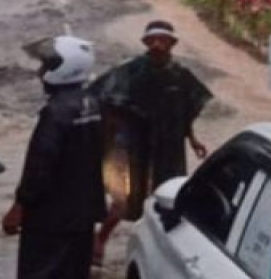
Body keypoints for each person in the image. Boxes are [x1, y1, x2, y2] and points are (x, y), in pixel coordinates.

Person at [1, 35, 105, 279]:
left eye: (47, 64)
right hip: (82, 211)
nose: (40, 71)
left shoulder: (56, 113)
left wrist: (19, 206)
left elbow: (39, 168)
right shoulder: (91, 103)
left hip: (51, 215)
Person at [89, 20, 212, 265]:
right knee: (123, 199)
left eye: (162, 40)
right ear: (145, 43)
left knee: (169, 196)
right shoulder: (130, 72)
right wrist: (111, 143)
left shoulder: (181, 76)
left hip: (169, 144)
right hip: (134, 144)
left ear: (171, 44)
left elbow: (185, 111)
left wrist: (192, 139)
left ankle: (162, 253)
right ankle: (100, 240)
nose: (157, 44)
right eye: (152, 40)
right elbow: (106, 102)